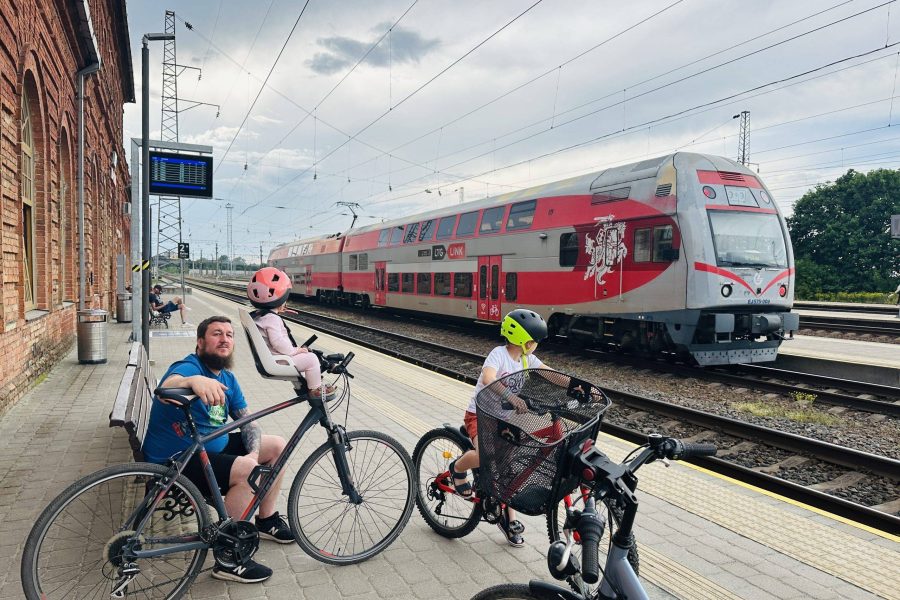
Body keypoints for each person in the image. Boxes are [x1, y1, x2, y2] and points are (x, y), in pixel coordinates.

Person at [142, 316, 290, 584]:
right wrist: (195, 381)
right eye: (216, 334)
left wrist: (253, 453)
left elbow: (248, 424)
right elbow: (166, 388)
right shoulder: (189, 366)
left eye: (230, 335)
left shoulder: (228, 378)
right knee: (248, 471)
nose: (224, 339)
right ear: (200, 342)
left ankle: (266, 521)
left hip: (210, 451)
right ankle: (229, 556)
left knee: (277, 446)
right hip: (176, 463)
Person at [449, 308, 550, 547]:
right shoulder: (499, 354)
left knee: (511, 462)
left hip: (505, 419)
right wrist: (511, 397)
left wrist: (575, 386)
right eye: (534, 341)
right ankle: (457, 469)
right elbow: (488, 378)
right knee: (487, 455)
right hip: (479, 416)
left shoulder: (527, 359)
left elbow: (548, 373)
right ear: (523, 341)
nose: (536, 345)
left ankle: (507, 515)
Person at [247, 267, 336, 400]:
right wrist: (295, 351)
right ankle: (316, 390)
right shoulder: (272, 319)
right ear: (280, 299)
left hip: (272, 359)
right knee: (311, 359)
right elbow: (278, 343)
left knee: (307, 356)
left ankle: (312, 381)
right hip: (279, 361)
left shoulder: (261, 316)